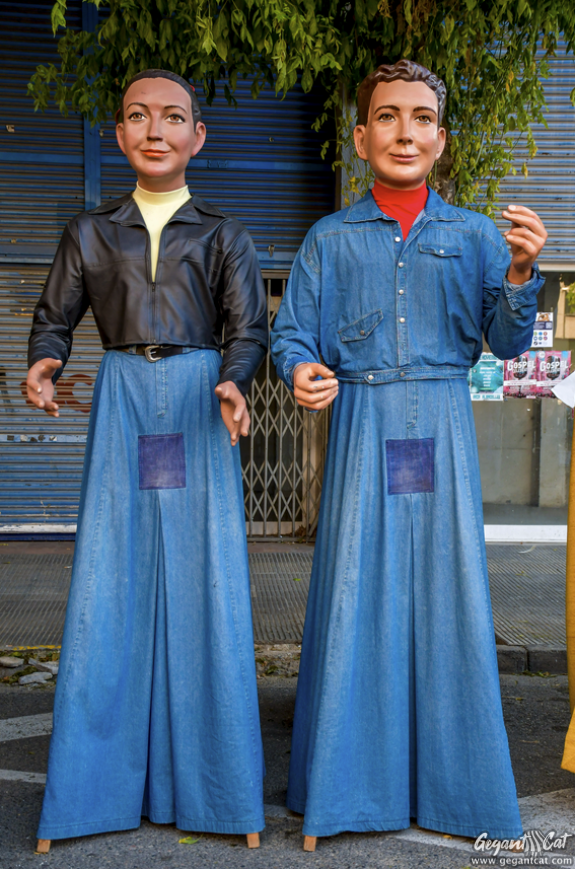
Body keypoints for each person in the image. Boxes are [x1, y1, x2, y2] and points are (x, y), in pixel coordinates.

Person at [271, 59, 547, 849]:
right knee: (353, 594)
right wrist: (300, 369)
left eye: (421, 117)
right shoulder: (328, 238)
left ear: (441, 138)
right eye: (387, 117)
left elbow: (503, 340)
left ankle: (461, 795)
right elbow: (292, 331)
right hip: (361, 426)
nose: (405, 131)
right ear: (361, 138)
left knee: (449, 599)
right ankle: (345, 792)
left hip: (442, 432)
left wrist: (521, 272)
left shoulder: (473, 236)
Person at [26, 69, 267, 851]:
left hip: (200, 397)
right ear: (120, 136)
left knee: (209, 588)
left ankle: (220, 795)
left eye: (172, 117)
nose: (154, 128)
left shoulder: (225, 232)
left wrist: (233, 383)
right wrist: (44, 362)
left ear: (198, 136)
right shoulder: (88, 231)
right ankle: (91, 795)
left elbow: (247, 328)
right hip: (125, 395)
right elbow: (54, 317)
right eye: (137, 115)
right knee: (109, 582)